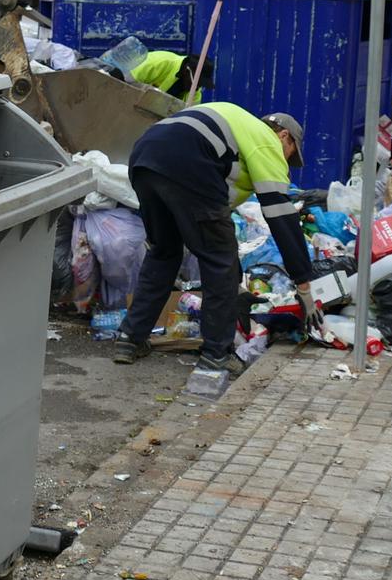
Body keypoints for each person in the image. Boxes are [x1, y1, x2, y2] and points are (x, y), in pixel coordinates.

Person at [113, 103, 315, 377]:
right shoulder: (267, 142)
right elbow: (281, 217)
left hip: (145, 157)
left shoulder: (238, 129)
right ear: (284, 137)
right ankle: (216, 354)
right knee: (220, 262)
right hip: (189, 163)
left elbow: (211, 218)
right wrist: (303, 283)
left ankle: (129, 339)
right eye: (290, 156)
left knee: (164, 252)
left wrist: (236, 282)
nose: (287, 165)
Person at [127, 49, 213, 104]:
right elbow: (123, 81)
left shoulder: (194, 92)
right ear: (186, 71)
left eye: (200, 84)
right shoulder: (160, 62)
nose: (197, 87)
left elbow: (189, 118)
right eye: (196, 82)